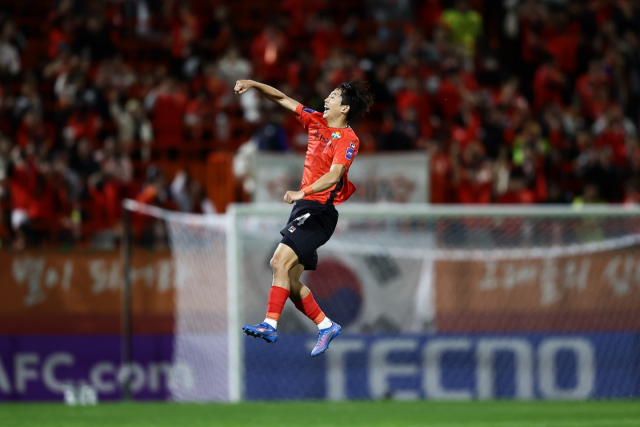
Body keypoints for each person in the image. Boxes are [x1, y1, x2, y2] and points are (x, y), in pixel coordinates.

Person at [234, 78, 374, 357]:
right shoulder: (315, 120)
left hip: (319, 211)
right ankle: (326, 326)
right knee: (290, 281)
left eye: (333, 96)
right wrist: (254, 84)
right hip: (305, 209)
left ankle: (270, 324)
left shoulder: (349, 139)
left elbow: (334, 176)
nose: (327, 99)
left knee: (277, 262)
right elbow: (282, 98)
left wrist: (303, 192)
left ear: (345, 108)